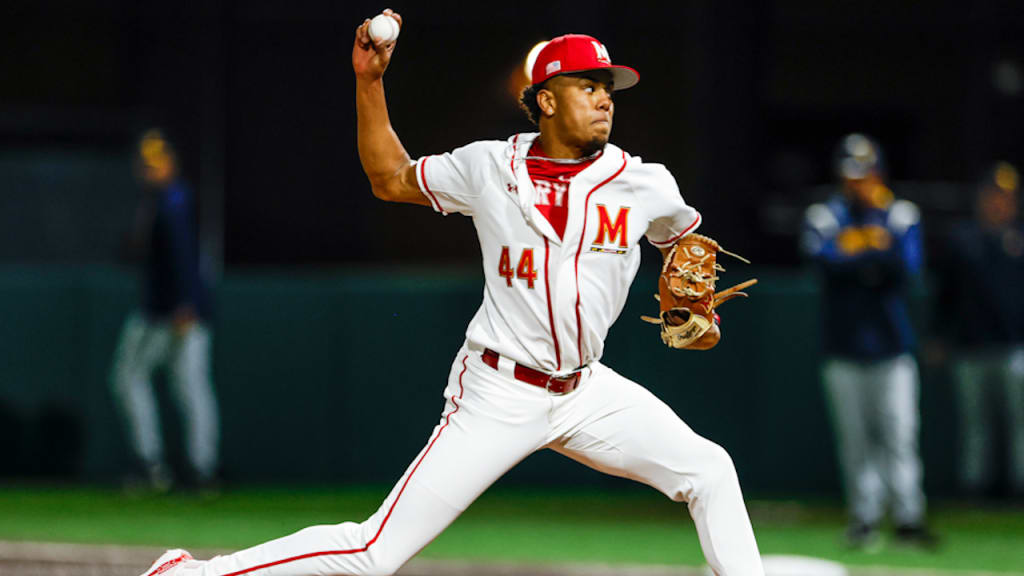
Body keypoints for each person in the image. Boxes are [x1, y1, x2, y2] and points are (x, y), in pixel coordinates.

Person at [138, 11, 764, 576]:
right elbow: (389, 178)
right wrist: (370, 82)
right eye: (588, 86)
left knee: (710, 471)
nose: (605, 99)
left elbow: (682, 234)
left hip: (588, 389)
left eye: (608, 88)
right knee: (373, 552)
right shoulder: (489, 166)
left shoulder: (642, 182)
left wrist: (684, 278)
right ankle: (189, 575)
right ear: (546, 100)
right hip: (499, 390)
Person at [801, 133, 936, 549]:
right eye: (851, 175)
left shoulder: (899, 213)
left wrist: (860, 253)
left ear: (878, 173)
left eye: (866, 174)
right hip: (842, 345)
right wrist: (871, 252)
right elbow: (823, 262)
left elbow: (905, 266)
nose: (858, 183)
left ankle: (909, 519)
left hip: (892, 345)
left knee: (900, 434)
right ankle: (864, 519)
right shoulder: (825, 213)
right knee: (856, 439)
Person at [111, 128, 219, 493]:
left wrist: (185, 304)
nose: (150, 169)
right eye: (146, 163)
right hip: (179, 309)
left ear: (170, 163)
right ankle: (196, 469)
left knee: (131, 377)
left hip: (169, 312)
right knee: (188, 388)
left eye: (156, 162)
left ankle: (156, 465)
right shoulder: (161, 200)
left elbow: (185, 256)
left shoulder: (172, 200)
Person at [938, 161, 1024, 498]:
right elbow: (947, 293)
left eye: (1007, 196)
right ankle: (974, 489)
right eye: (994, 195)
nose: (999, 202)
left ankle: (1019, 490)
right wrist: (940, 334)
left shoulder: (1020, 239)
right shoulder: (963, 239)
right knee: (977, 425)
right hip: (971, 346)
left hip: (1016, 346)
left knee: (1020, 424)